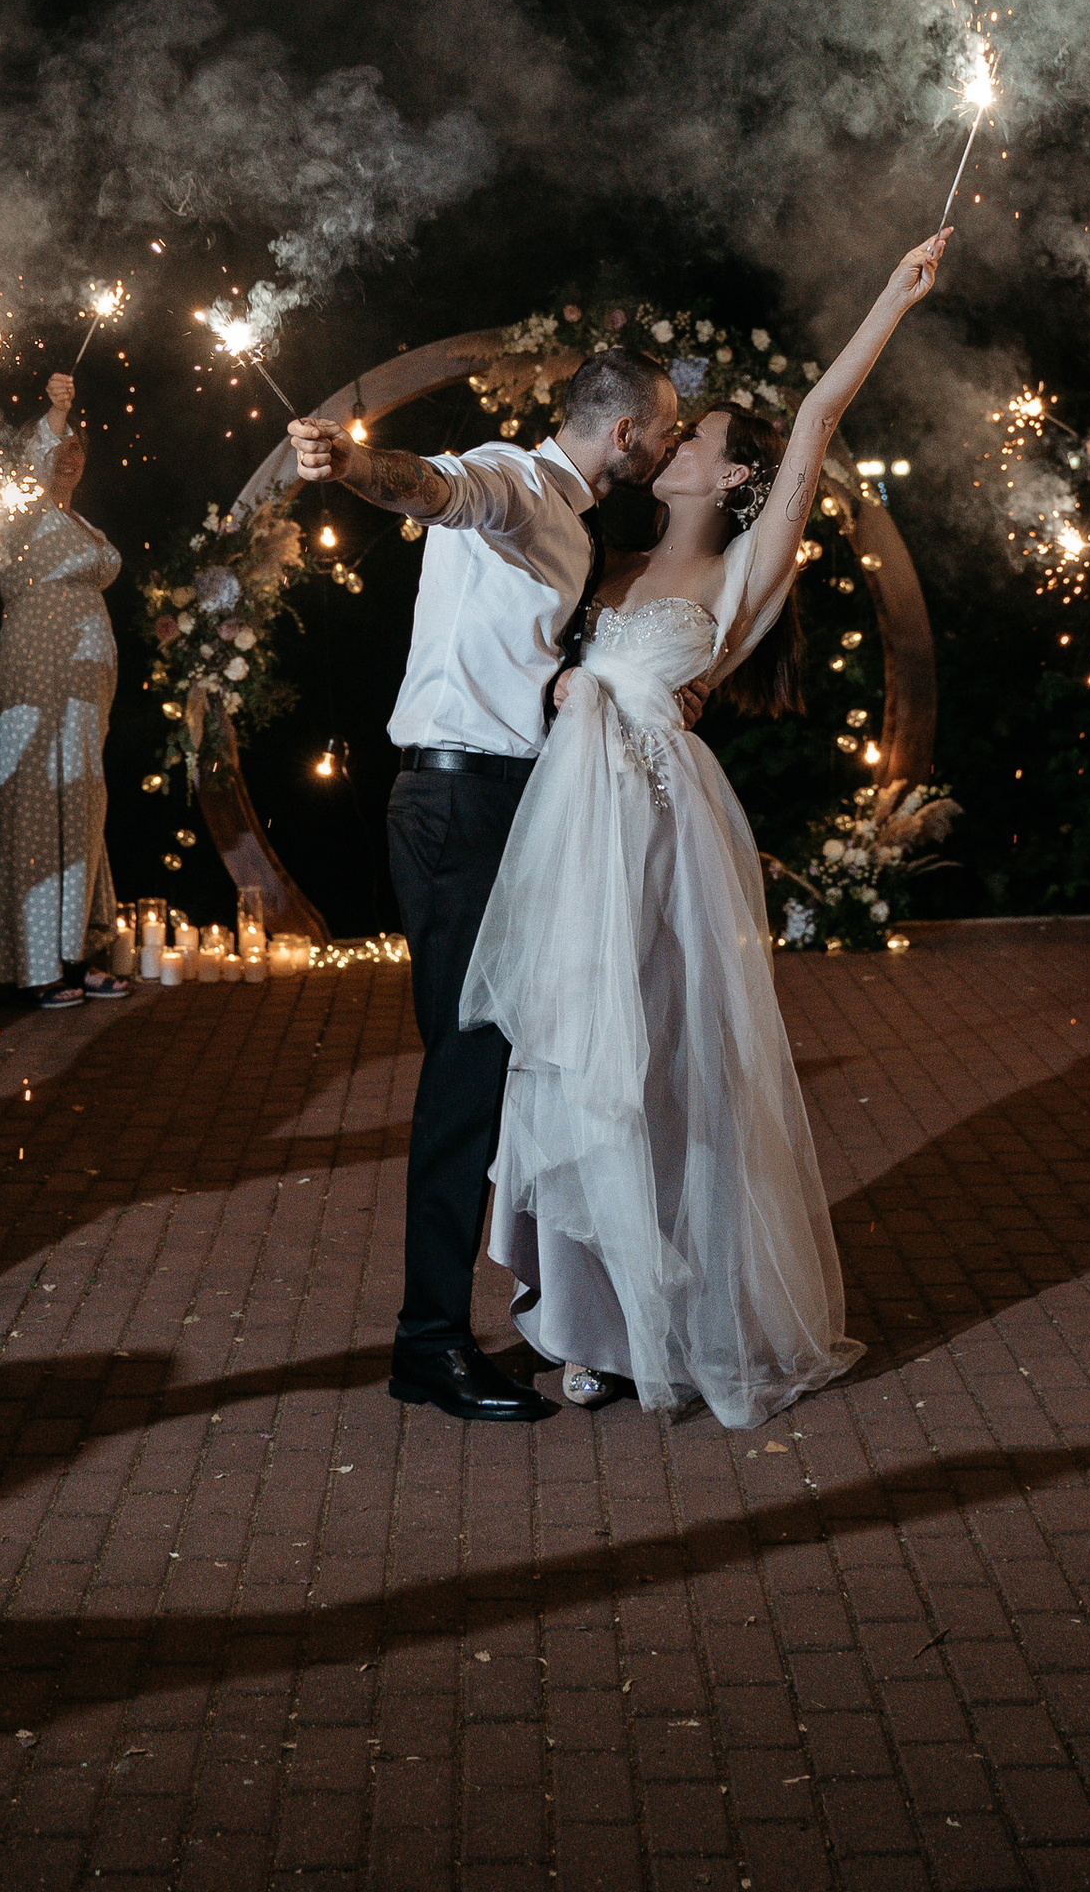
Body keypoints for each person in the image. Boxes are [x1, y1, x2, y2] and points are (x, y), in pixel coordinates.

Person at [457, 236, 954, 1427]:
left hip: (660, 837)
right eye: (672, 432)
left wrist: (890, 296)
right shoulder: (604, 561)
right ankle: (582, 1320)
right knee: (573, 1062)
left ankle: (670, 1322)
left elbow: (818, 420)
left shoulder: (738, 577)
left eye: (699, 439)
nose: (673, 444)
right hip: (567, 837)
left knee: (664, 1070)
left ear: (731, 478)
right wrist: (558, 684)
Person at [288, 337, 687, 1421]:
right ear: (624, 431)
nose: (670, 446)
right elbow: (435, 489)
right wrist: (351, 466)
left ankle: (545, 1309)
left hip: (509, 804)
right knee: (466, 1075)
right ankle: (427, 1344)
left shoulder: (578, 524)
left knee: (516, 1062)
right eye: (665, 431)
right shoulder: (515, 479)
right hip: (458, 806)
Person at [0, 377, 128, 1004]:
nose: (70, 454)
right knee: (41, 799)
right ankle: (39, 963)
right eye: (59, 445)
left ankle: (80, 950)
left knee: (82, 801)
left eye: (78, 447)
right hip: (39, 668)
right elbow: (37, 457)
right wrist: (57, 413)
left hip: (85, 688)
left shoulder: (79, 521)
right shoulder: (20, 506)